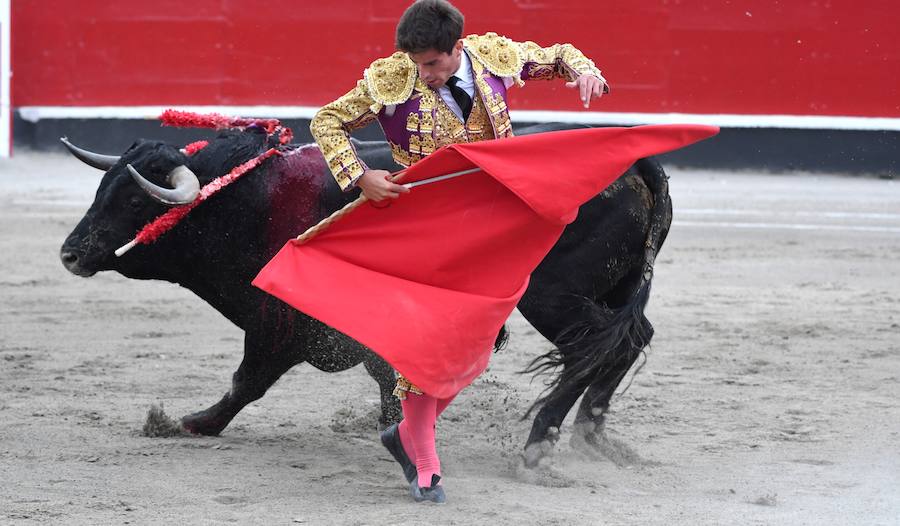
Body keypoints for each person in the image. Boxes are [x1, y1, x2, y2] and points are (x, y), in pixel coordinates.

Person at [309, 0, 608, 503]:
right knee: (429, 341)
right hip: (427, 227)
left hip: (495, 225)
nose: (423, 74)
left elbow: (556, 56)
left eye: (432, 63)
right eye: (417, 63)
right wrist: (361, 177)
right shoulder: (392, 78)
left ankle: (405, 436)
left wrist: (585, 70)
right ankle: (424, 458)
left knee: (476, 341)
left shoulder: (492, 57)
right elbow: (327, 120)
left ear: (456, 49)